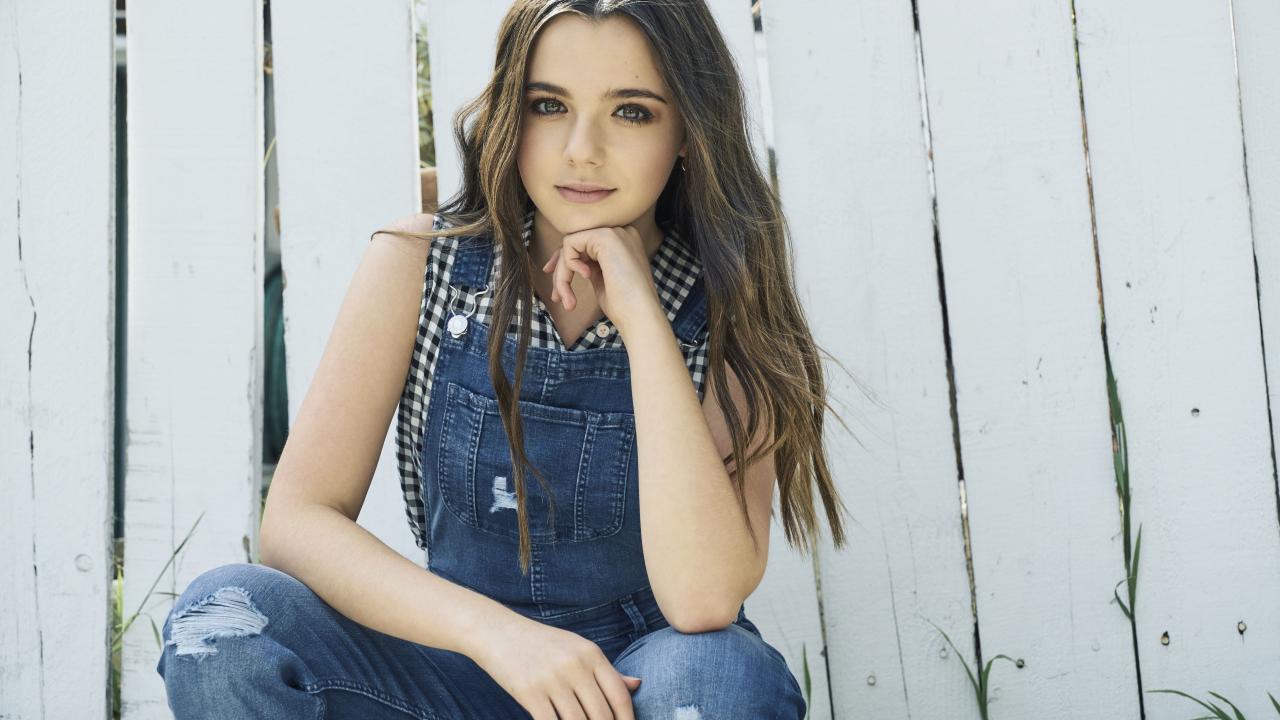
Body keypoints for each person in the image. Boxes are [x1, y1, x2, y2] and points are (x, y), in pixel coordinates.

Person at [156, 1, 852, 717]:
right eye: (549, 105)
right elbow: (298, 522)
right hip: (449, 667)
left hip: (637, 686)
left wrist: (644, 318)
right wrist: (499, 636)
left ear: (687, 134)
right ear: (509, 117)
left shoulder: (728, 307)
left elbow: (703, 600)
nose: (582, 149)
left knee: (720, 678)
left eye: (632, 112)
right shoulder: (421, 264)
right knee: (222, 622)